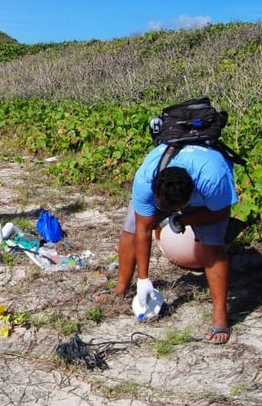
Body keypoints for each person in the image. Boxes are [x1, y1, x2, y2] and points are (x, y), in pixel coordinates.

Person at [92, 142, 239, 344]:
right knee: (131, 228)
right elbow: (143, 230)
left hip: (205, 195)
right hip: (160, 189)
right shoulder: (146, 178)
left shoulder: (213, 177)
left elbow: (220, 212)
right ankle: (121, 288)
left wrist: (183, 219)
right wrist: (143, 279)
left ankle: (220, 316)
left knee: (213, 248)